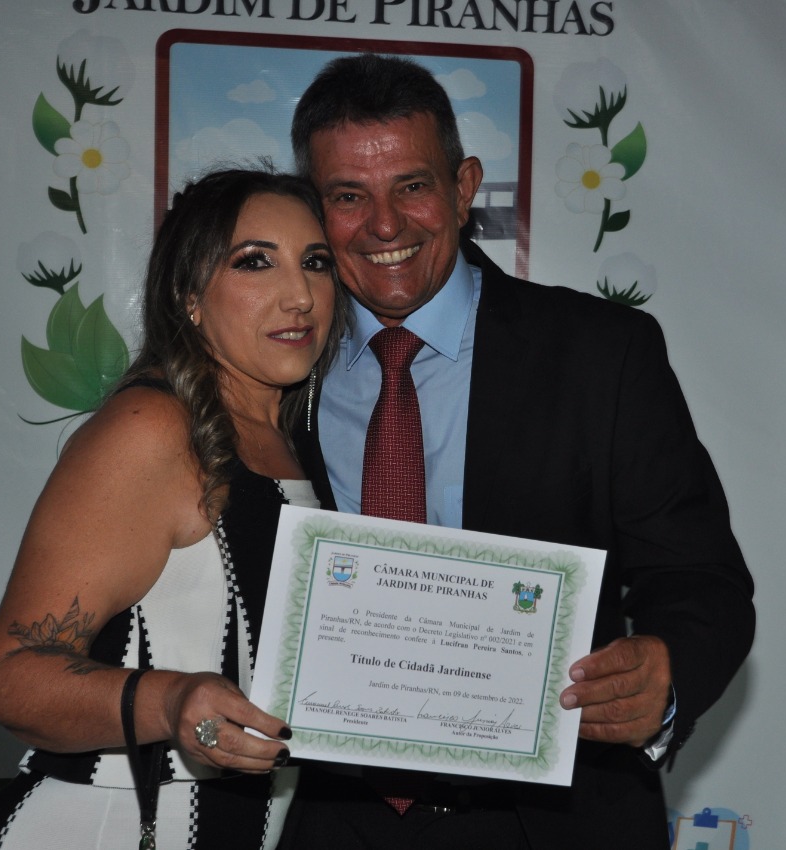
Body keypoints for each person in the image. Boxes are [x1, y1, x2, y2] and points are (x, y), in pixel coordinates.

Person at [279, 53, 756, 849]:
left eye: (412, 186)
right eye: (348, 196)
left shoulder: (602, 354)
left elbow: (701, 580)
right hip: (339, 821)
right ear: (313, 208)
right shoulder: (276, 368)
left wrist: (664, 672)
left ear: (464, 187)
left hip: (562, 821)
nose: (386, 226)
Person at [0, 166, 345, 849]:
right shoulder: (153, 429)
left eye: (316, 262)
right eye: (255, 262)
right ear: (188, 296)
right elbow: (6, 675)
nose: (300, 295)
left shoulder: (303, 443)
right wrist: (171, 701)